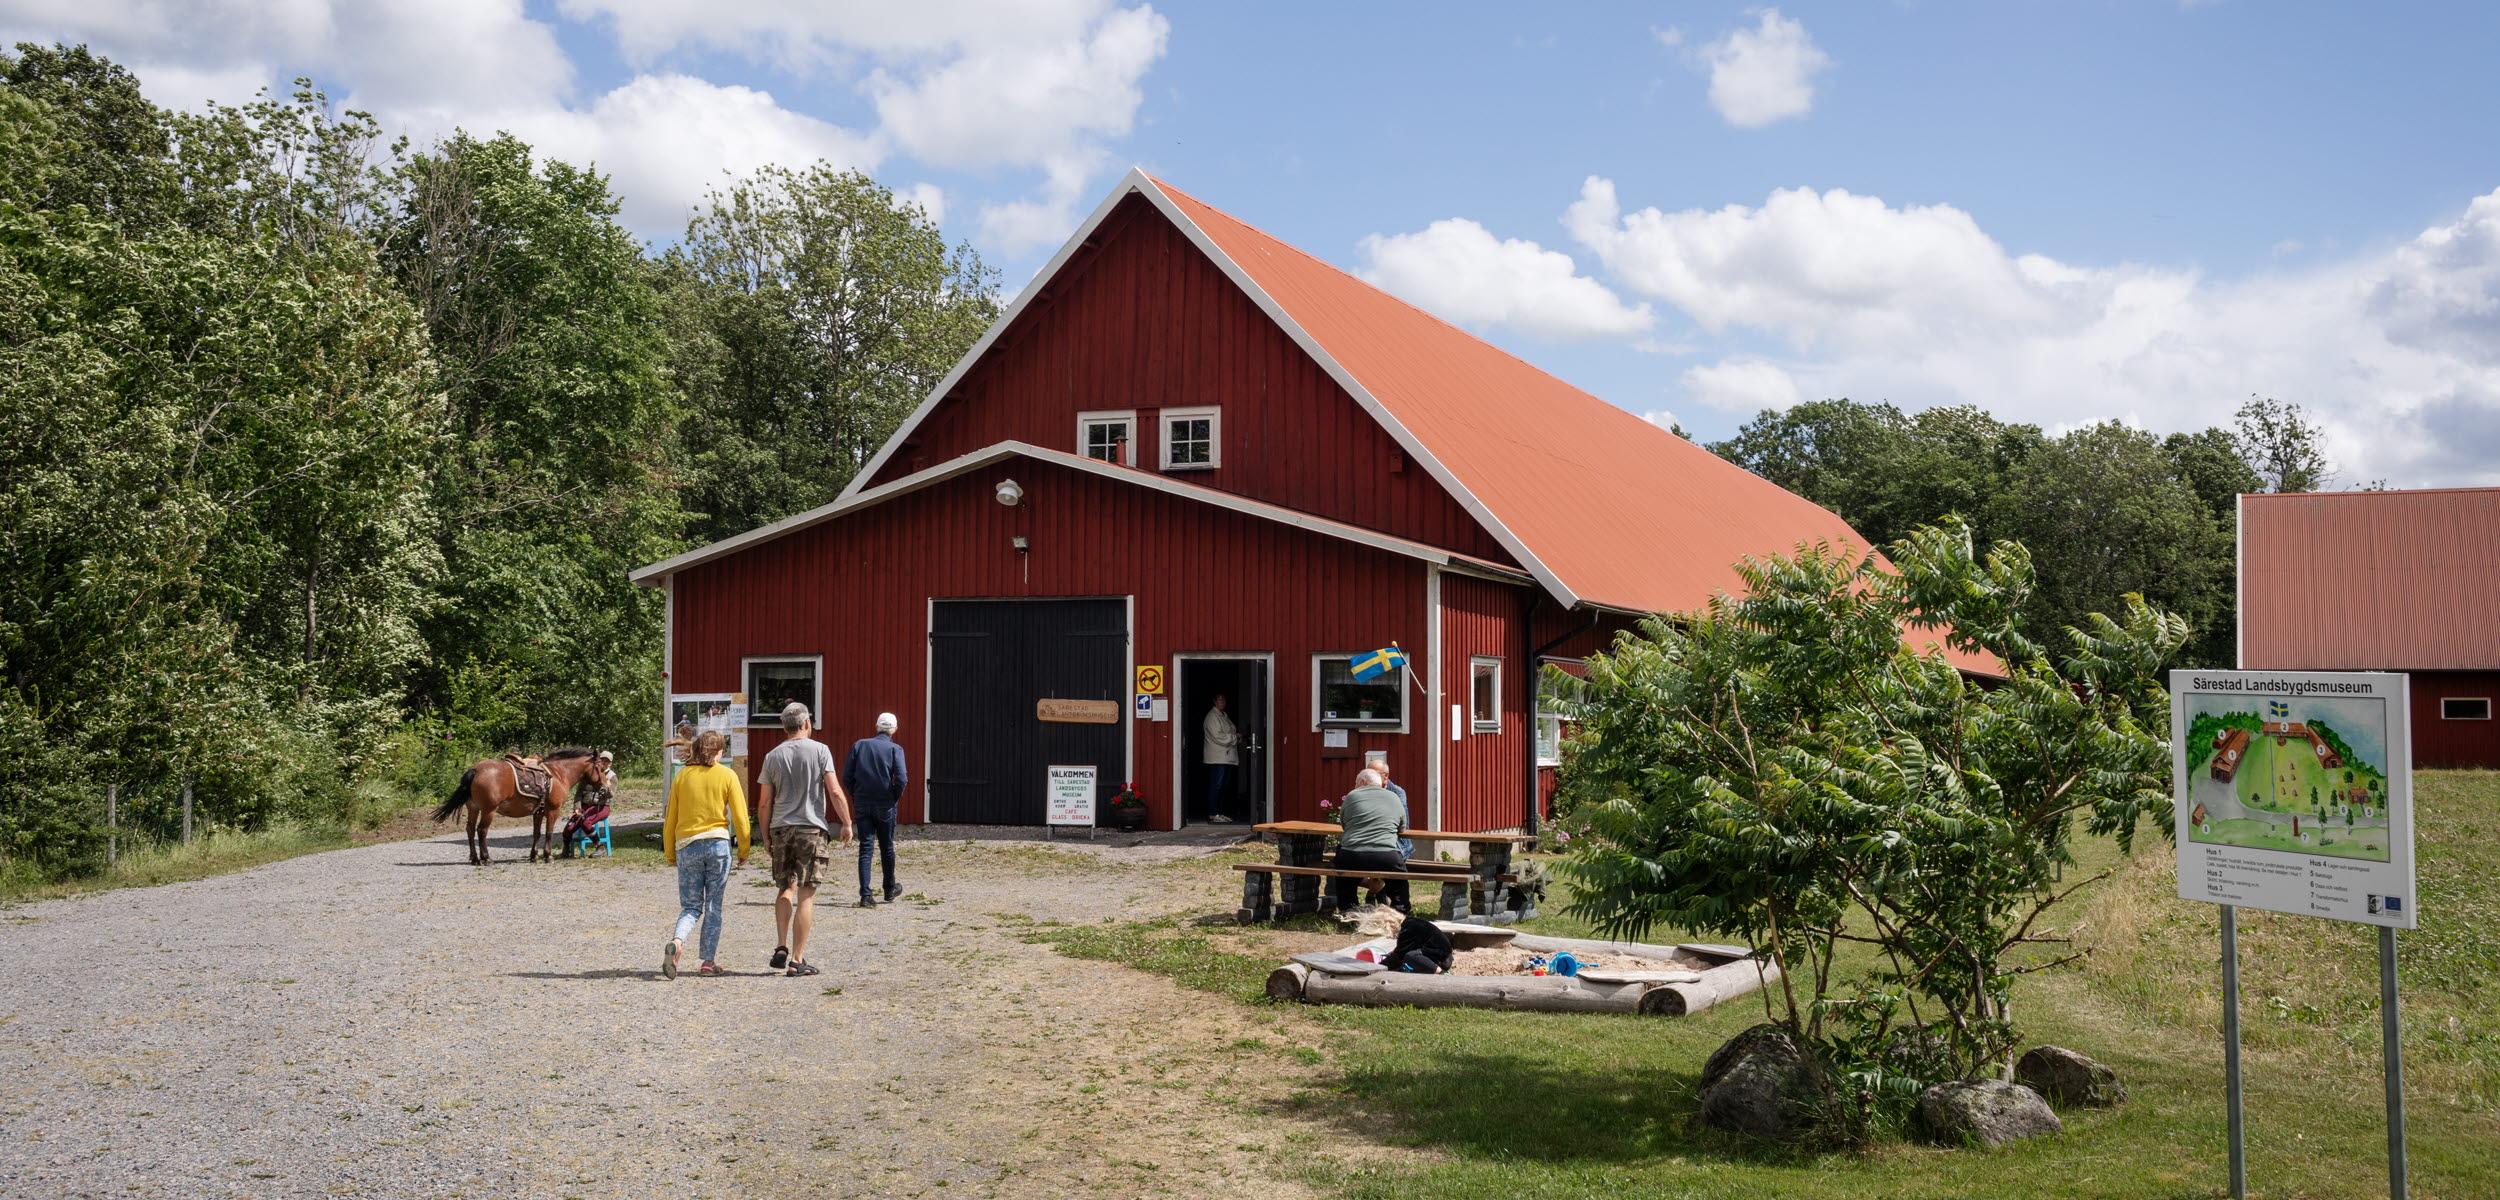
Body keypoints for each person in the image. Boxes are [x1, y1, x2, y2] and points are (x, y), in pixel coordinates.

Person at [758, 703, 853, 976]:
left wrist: (765, 836)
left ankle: (780, 945)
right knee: (806, 893)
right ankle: (797, 960)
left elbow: (765, 803)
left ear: (784, 727)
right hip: (811, 829)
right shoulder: (821, 750)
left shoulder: (772, 756)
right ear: (807, 723)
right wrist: (846, 822)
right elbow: (834, 790)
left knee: (784, 888)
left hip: (781, 829)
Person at [660, 729, 749, 979]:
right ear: (719, 751)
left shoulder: (683, 776)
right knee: (713, 905)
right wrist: (744, 848)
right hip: (719, 846)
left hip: (687, 846)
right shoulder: (727, 775)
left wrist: (670, 853)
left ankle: (676, 942)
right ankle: (708, 963)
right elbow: (740, 818)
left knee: (690, 906)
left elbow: (671, 818)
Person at [843, 712, 910, 907]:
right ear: (894, 729)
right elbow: (902, 778)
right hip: (885, 803)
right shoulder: (895, 748)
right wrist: (893, 796)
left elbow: (847, 776)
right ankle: (889, 889)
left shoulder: (860, 745)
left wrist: (856, 795)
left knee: (866, 847)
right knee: (886, 847)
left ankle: (865, 894)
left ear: (876, 726)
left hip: (863, 802)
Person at [1331, 768, 1411, 912]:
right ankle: (1401, 910)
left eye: (1356, 783)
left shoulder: (1352, 796)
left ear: (1363, 782)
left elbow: (1344, 825)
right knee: (1399, 880)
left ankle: (1349, 910)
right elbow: (1401, 828)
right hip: (1386, 855)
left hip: (1353, 854)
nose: (1355, 786)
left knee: (1344, 875)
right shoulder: (1394, 797)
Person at [1201, 693, 1241, 823]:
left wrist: (1235, 736)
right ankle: (1213, 813)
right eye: (1219, 699)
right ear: (1214, 701)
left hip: (1226, 757)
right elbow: (1218, 737)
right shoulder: (1212, 717)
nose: (1222, 701)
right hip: (1217, 758)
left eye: (1224, 699)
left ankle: (1220, 812)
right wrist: (1235, 737)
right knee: (1216, 786)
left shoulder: (1224, 716)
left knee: (1223, 786)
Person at [1369, 753, 1414, 861]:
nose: (1369, 776)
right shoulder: (1363, 790)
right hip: (1372, 841)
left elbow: (1402, 823)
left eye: (1373, 773)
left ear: (1386, 776)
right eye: (1367, 773)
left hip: (1396, 842)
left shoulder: (1397, 792)